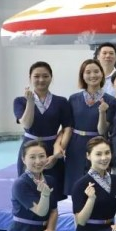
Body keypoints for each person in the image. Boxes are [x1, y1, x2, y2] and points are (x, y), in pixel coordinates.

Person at [5, 141, 75, 231]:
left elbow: (54, 210)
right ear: (23, 159)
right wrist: (44, 195)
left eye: (42, 156)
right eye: (32, 157)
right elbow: (41, 211)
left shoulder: (50, 180)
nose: (38, 161)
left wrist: (50, 228)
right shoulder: (21, 184)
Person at [13, 62, 72, 202]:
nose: (41, 80)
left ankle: (52, 217)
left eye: (45, 76)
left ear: (51, 77)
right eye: (36, 76)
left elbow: (67, 128)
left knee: (53, 192)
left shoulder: (61, 101)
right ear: (30, 78)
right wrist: (30, 102)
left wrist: (57, 154)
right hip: (30, 147)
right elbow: (26, 124)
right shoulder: (20, 101)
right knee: (29, 190)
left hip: (52, 149)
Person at [63, 59, 116, 194]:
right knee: (76, 185)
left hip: (98, 145)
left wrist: (102, 112)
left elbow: (103, 130)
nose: (92, 75)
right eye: (88, 72)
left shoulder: (111, 101)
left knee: (98, 185)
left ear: (102, 74)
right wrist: (62, 146)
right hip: (75, 145)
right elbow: (68, 127)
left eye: (96, 71)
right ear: (82, 75)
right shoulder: (73, 99)